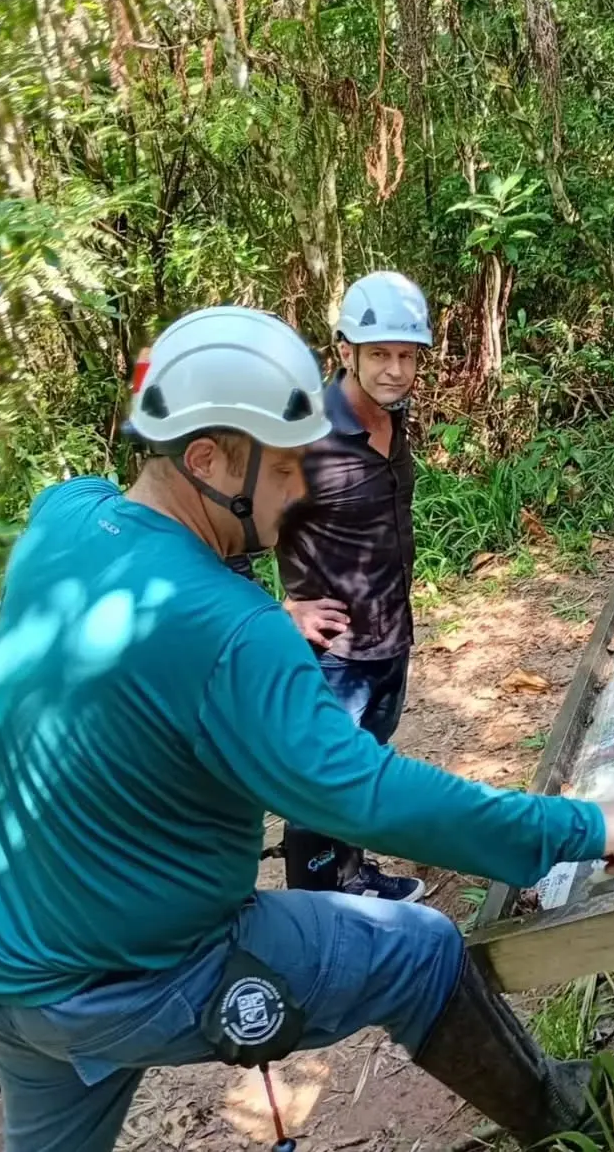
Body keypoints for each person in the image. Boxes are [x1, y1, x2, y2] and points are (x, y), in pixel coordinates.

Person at [0, 305, 614, 1152]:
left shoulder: (64, 515)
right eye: (286, 467)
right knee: (419, 951)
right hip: (144, 974)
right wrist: (579, 826)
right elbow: (363, 794)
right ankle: (581, 1123)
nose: (302, 492)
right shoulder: (234, 630)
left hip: (12, 962)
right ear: (205, 460)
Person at [274, 270, 432, 902]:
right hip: (333, 655)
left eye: (407, 355)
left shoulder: (395, 418)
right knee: (320, 783)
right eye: (380, 354)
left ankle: (353, 879)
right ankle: (317, 914)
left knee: (362, 768)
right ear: (346, 351)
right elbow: (224, 530)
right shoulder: (302, 435)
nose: (395, 370)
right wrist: (281, 610)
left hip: (390, 633)